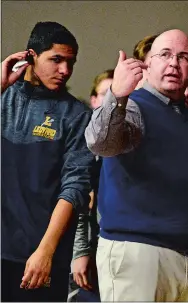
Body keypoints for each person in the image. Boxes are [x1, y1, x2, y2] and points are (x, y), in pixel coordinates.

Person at [85, 29, 188, 302]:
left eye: (183, 57)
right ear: (148, 63)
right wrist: (117, 94)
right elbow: (100, 144)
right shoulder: (132, 106)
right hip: (137, 250)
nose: (174, 64)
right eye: (164, 55)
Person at [1, 21, 94, 302]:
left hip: (39, 258)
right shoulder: (4, 99)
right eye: (56, 60)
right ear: (30, 57)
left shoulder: (77, 115)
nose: (65, 70)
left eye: (70, 62)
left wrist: (46, 250)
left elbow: (75, 188)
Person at [69, 69, 114, 302]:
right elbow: (80, 201)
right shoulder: (83, 143)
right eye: (106, 94)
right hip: (86, 245)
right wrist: (81, 251)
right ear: (94, 99)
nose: (110, 102)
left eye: (115, 95)